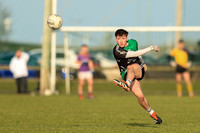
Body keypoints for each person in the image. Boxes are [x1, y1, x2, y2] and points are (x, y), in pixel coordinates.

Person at [112, 29, 162, 124]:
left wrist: (143, 63)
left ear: (127, 38)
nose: (121, 41)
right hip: (126, 74)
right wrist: (151, 48)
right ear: (116, 40)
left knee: (132, 66)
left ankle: (127, 84)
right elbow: (135, 53)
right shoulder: (117, 51)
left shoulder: (133, 42)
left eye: (123, 38)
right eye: (118, 39)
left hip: (138, 69)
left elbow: (137, 55)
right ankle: (152, 113)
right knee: (140, 97)